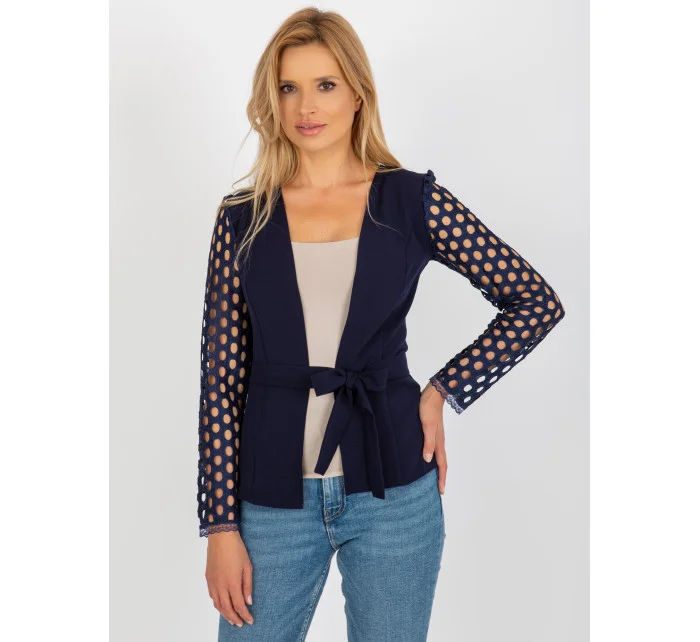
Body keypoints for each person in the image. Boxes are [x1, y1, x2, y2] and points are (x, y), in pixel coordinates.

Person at [196, 7, 566, 641]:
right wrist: (221, 527)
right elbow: (220, 381)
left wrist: (444, 389)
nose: (306, 106)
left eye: (325, 85)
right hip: (272, 506)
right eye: (288, 87)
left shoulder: (411, 200)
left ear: (358, 93)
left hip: (395, 494)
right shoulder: (242, 218)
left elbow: (535, 301)